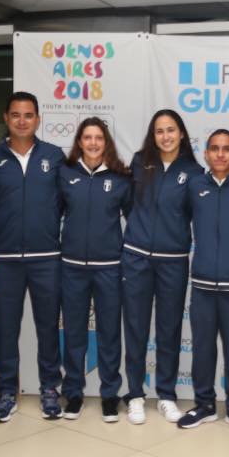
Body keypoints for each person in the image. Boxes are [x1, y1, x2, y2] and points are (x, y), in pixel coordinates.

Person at [0, 91, 65, 423]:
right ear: (6, 118)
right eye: (16, 114)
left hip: (47, 258)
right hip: (5, 259)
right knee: (6, 329)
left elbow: (65, 203)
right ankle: (6, 391)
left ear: (38, 119)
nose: (22, 121)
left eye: (28, 115)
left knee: (48, 327)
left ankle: (49, 389)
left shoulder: (54, 156)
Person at [122, 110, 203, 424]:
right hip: (137, 257)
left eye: (171, 130)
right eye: (159, 131)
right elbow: (129, 204)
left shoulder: (194, 172)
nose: (165, 136)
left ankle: (166, 395)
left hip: (173, 261)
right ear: (152, 136)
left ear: (181, 133)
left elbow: (193, 214)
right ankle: (135, 395)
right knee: (136, 327)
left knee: (169, 329)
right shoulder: (140, 162)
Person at [177, 130, 229, 433]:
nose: (221, 154)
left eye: (227, 149)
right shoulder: (195, 186)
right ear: (206, 154)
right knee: (202, 348)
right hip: (201, 284)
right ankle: (204, 405)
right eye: (215, 148)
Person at [58, 118, 132, 421]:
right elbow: (53, 214)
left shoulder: (121, 177)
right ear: (79, 142)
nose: (92, 143)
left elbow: (134, 219)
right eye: (87, 137)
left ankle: (109, 394)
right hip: (72, 267)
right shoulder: (65, 174)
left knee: (109, 333)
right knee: (73, 332)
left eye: (98, 138)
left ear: (106, 142)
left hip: (109, 268)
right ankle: (73, 393)